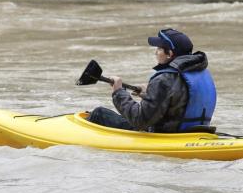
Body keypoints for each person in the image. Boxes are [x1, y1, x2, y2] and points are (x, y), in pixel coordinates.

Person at [86, 28, 216, 132]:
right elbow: (176, 103)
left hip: (164, 135)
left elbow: (140, 120)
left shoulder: (164, 80)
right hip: (192, 132)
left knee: (99, 113)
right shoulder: (200, 72)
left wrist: (118, 92)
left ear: (170, 54)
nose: (156, 52)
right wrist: (148, 94)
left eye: (159, 48)